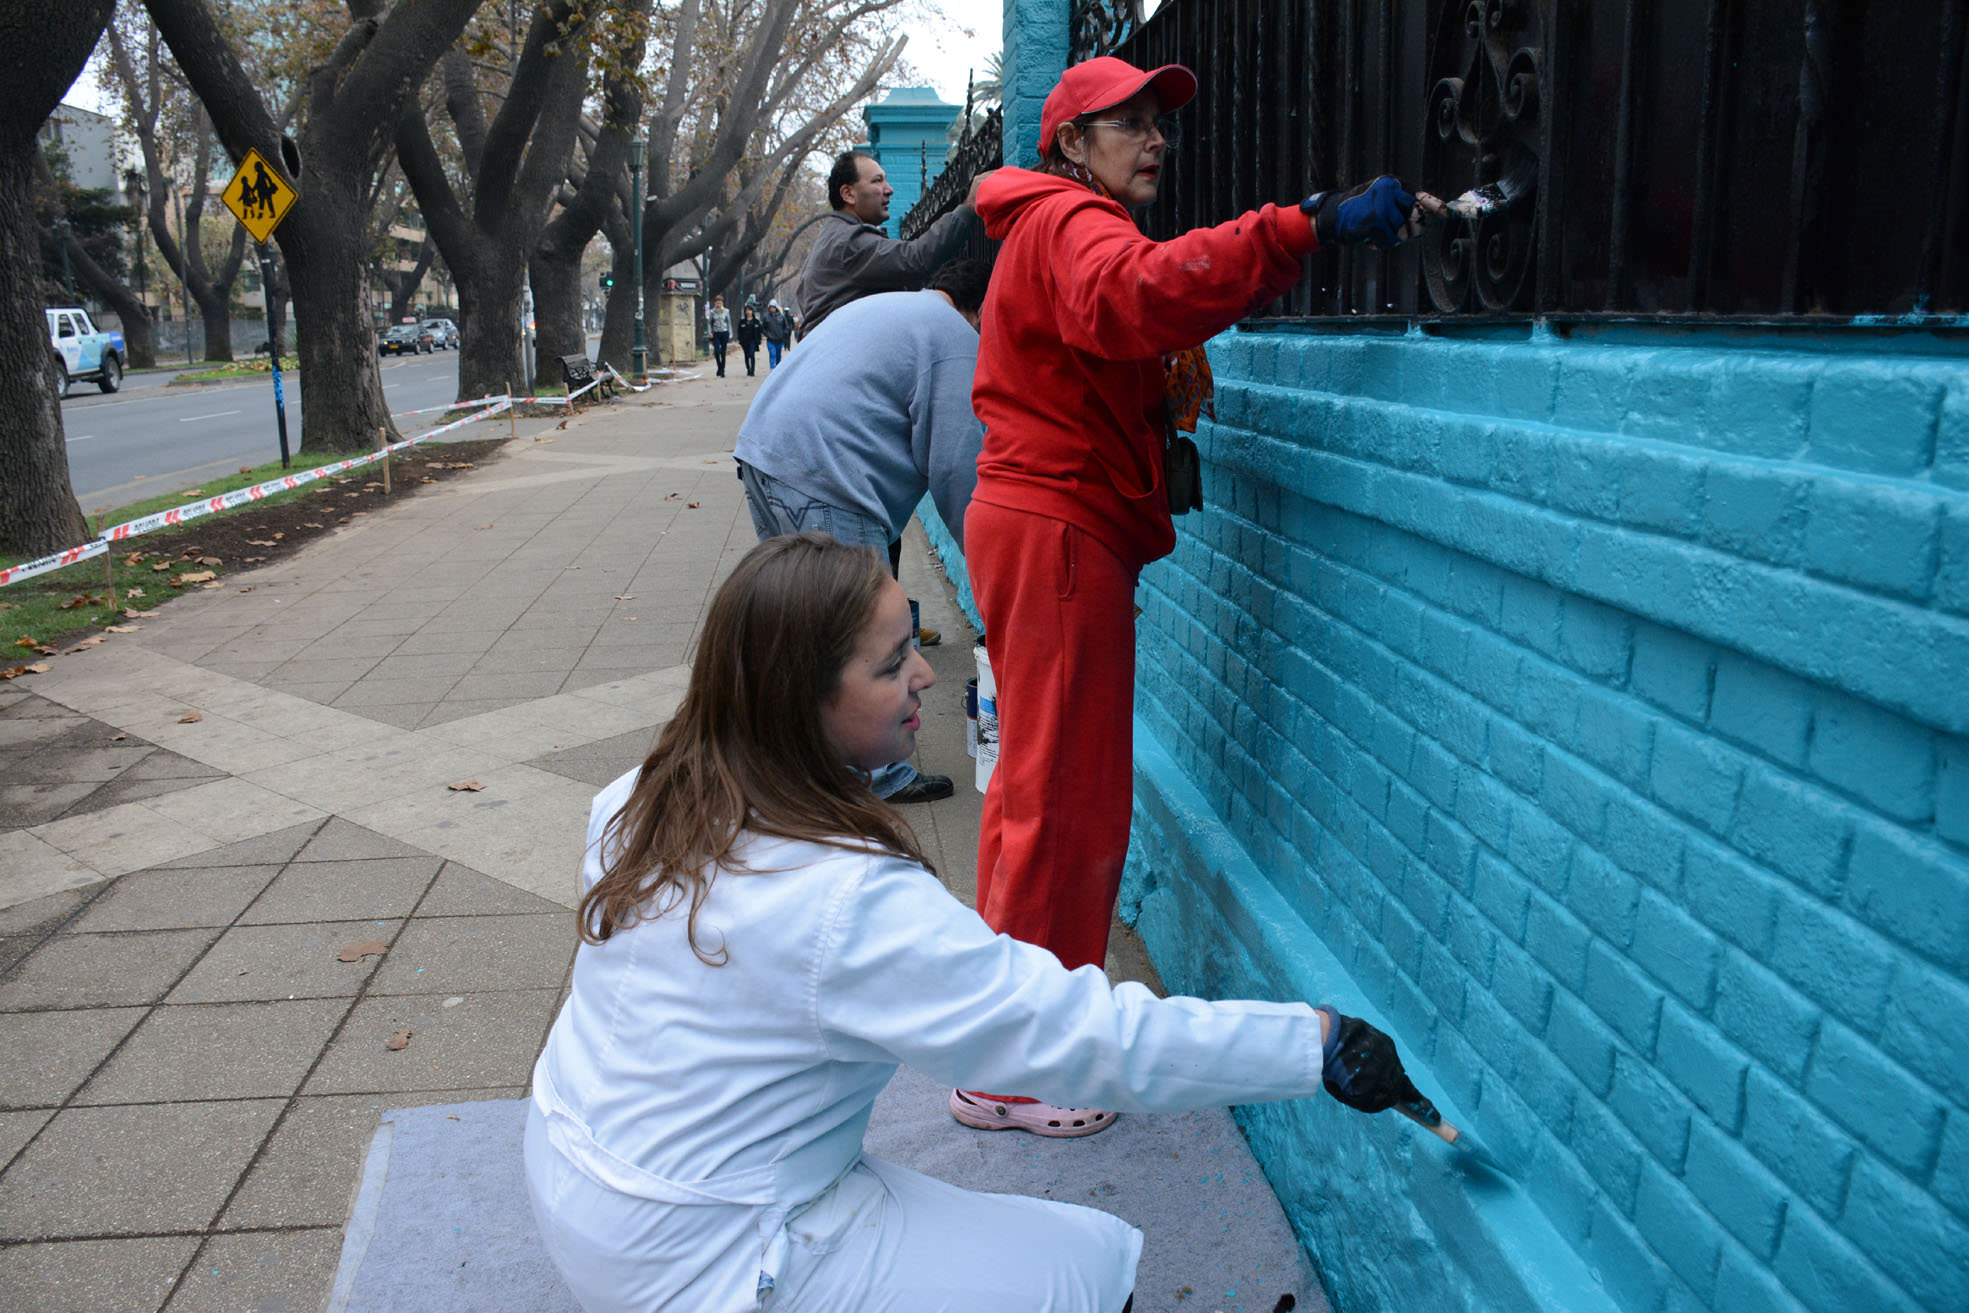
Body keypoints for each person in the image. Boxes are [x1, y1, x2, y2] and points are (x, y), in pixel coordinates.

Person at [523, 531, 1428, 1313]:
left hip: (583, 1172)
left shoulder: (636, 798)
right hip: (707, 1254)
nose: (924, 671)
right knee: (1085, 1267)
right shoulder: (842, 902)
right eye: (889, 665)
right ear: (798, 701)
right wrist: (1312, 1042)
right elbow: (1081, 1037)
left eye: (911, 638)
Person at [962, 55, 1443, 1130]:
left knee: (1035, 789)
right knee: (1067, 800)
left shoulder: (1045, 222)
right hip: (1059, 527)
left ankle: (998, 1031)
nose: (1153, 139)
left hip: (1042, 521)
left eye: (1156, 122)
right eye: (1123, 123)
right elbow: (1139, 294)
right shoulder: (1070, 222)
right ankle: (1020, 1064)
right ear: (1070, 144)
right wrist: (1299, 227)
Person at [732, 258, 993, 805]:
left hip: (769, 454)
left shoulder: (900, 308)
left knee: (804, 624)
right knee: (864, 634)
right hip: (825, 476)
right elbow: (954, 471)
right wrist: (992, 572)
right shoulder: (954, 338)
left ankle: (794, 759)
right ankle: (879, 777)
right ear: (983, 309)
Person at [796, 149, 989, 336]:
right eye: (877, 181)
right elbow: (917, 259)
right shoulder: (849, 242)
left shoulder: (833, 236)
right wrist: (969, 207)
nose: (889, 190)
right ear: (848, 194)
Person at [735, 301, 764, 376]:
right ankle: (748, 368)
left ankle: (752, 370)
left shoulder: (756, 322)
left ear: (752, 311)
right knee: (746, 355)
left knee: (752, 354)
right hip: (745, 341)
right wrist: (740, 339)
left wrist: (759, 340)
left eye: (750, 310)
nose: (748, 312)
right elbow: (739, 331)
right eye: (747, 310)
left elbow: (760, 331)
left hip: (753, 341)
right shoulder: (742, 322)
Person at [707, 294, 733, 377]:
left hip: (724, 333)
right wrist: (710, 332)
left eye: (720, 303)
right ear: (715, 303)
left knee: (723, 352)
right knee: (717, 352)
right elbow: (709, 323)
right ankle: (719, 366)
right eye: (717, 303)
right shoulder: (712, 312)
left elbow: (729, 323)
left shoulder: (726, 311)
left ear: (722, 303)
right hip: (716, 333)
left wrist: (730, 333)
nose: (718, 305)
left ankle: (722, 370)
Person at [762, 299, 792, 369]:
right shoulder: (766, 317)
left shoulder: (781, 317)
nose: (772, 309)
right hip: (770, 340)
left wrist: (783, 334)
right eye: (770, 307)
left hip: (779, 340)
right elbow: (763, 328)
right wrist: (767, 334)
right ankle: (772, 368)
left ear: (776, 308)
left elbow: (786, 327)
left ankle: (777, 368)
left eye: (773, 307)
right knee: (772, 354)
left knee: (778, 355)